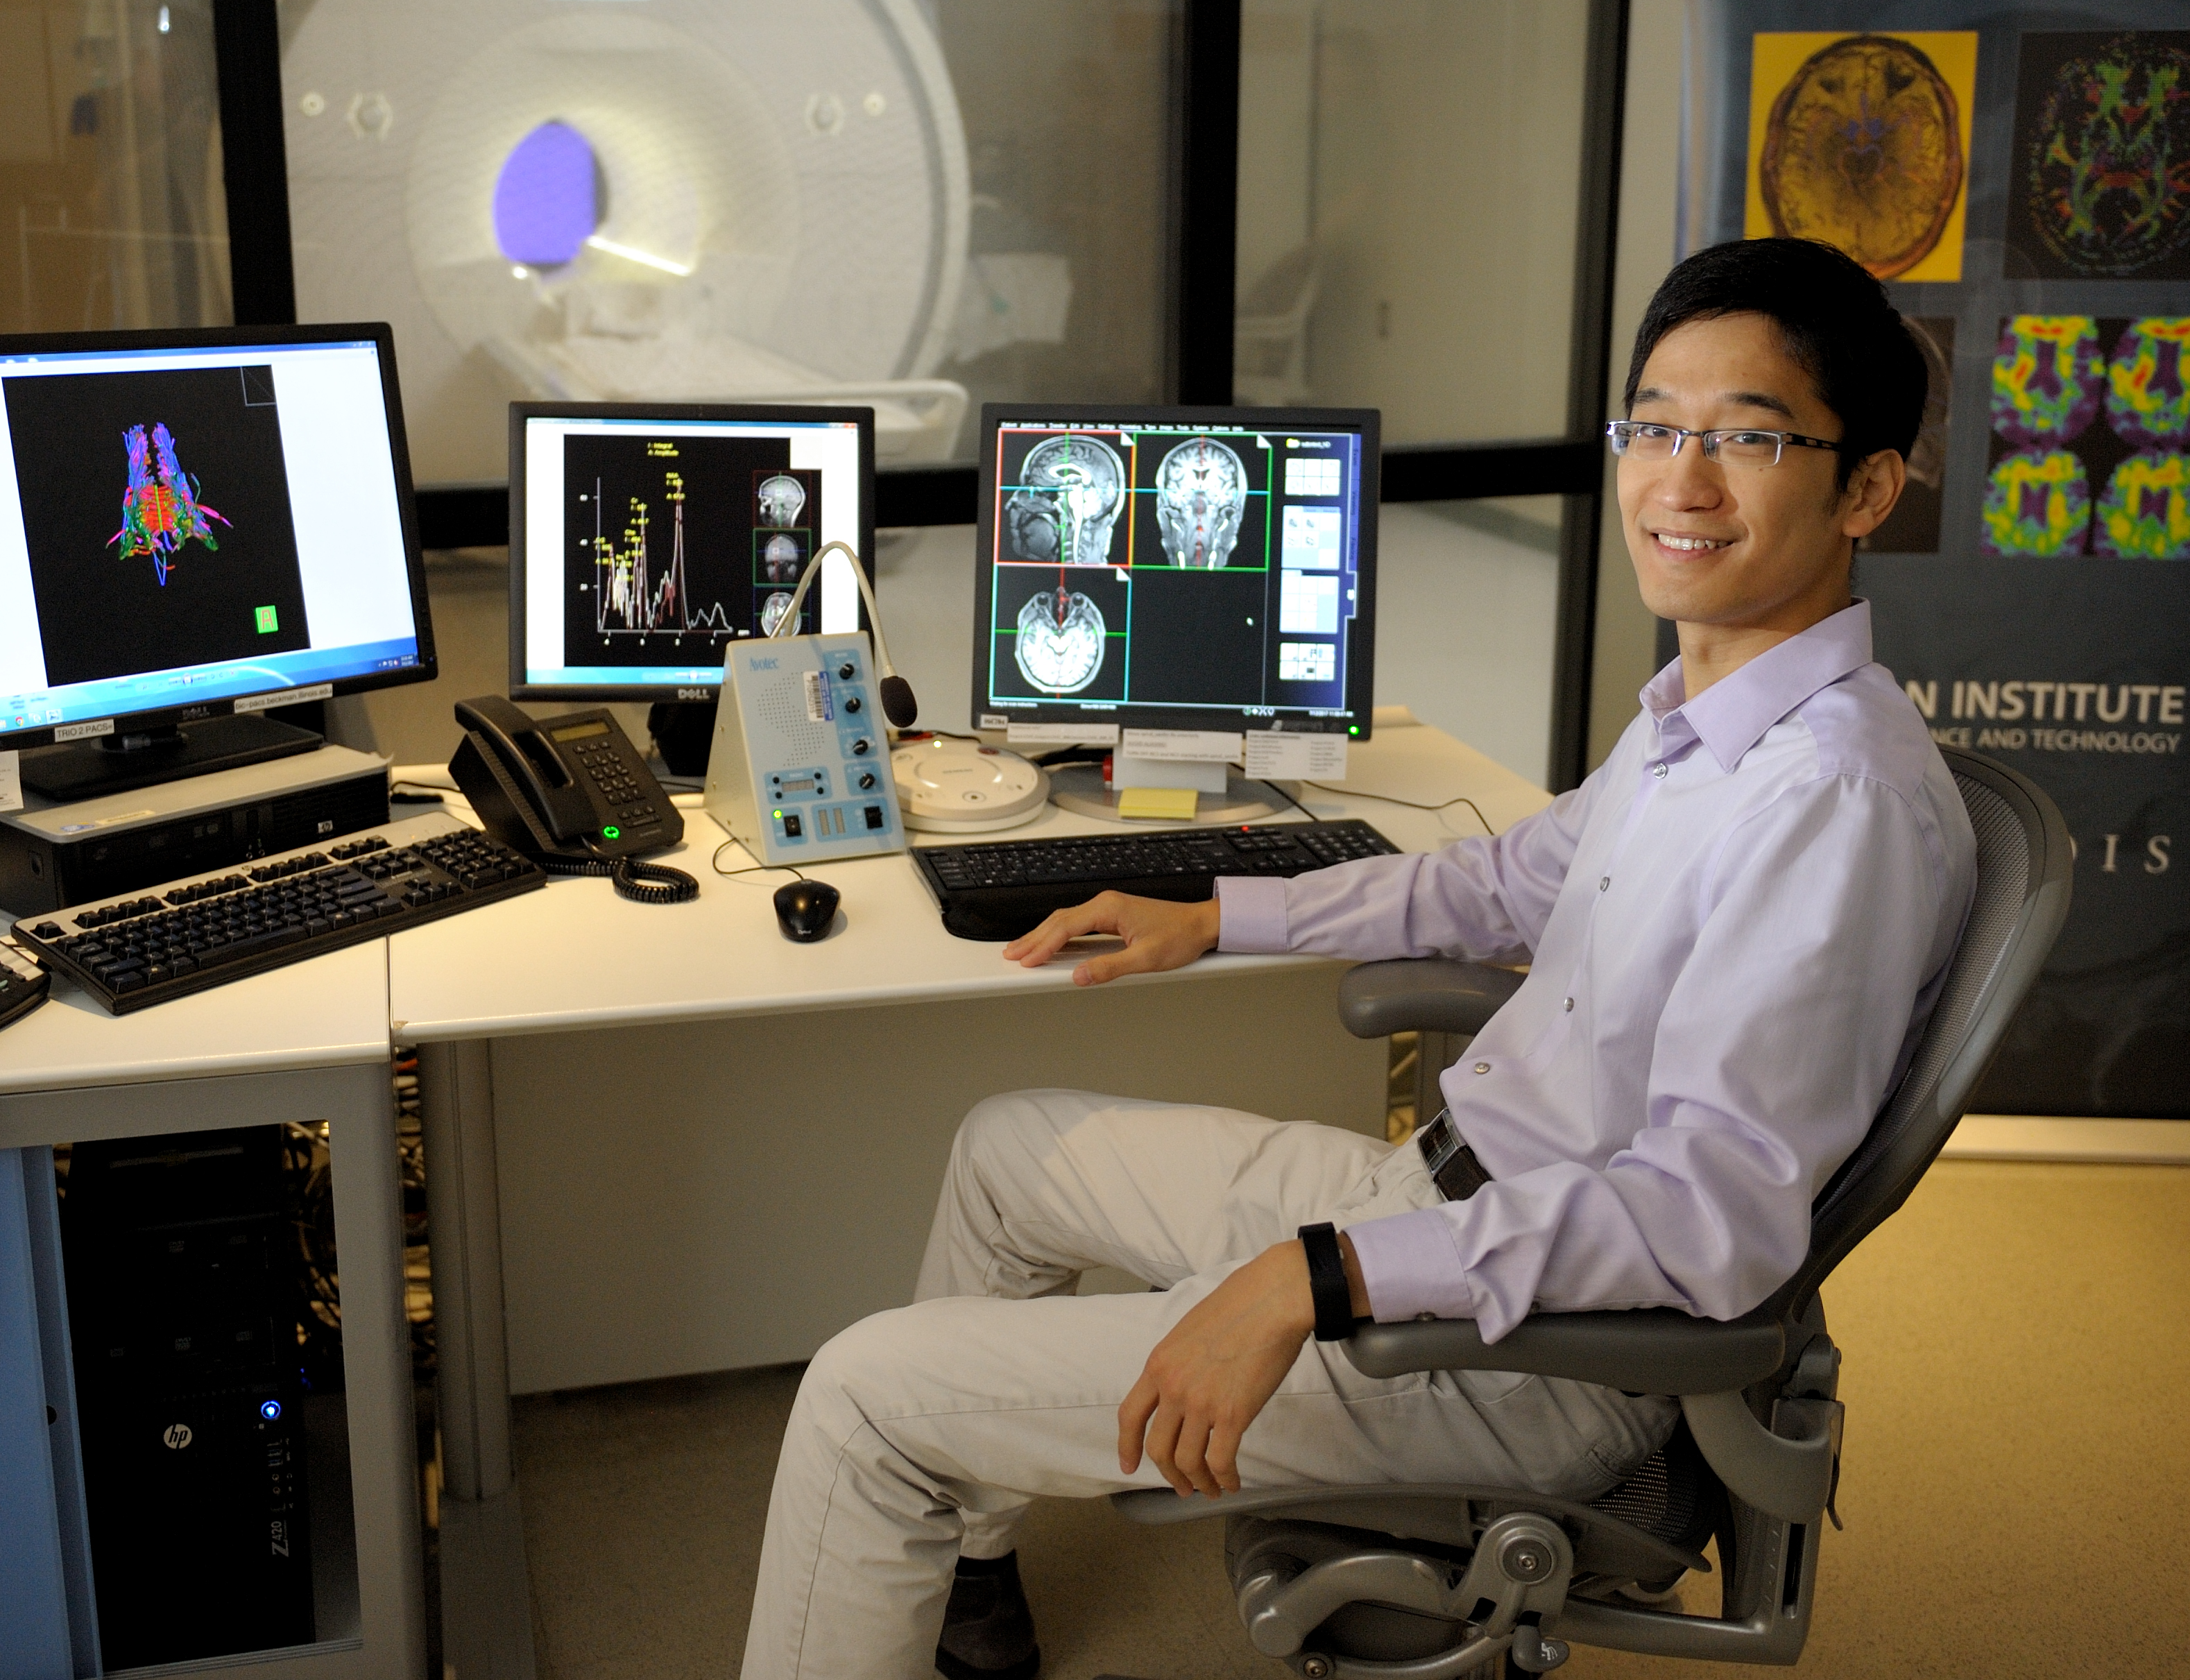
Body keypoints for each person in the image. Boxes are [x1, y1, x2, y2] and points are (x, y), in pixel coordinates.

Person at [739, 237, 1976, 1680]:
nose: (1677, 481)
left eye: (1747, 438)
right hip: (1438, 1203)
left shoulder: (1831, 801)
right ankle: (967, 1566)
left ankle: (906, 1470)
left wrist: (1313, 1279)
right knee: (1011, 1150)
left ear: (1869, 487)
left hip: (1535, 1356)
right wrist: (1216, 912)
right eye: (1652, 424)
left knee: (860, 1390)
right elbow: (1511, 877)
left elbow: (1705, 1226)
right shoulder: (1704, 711)